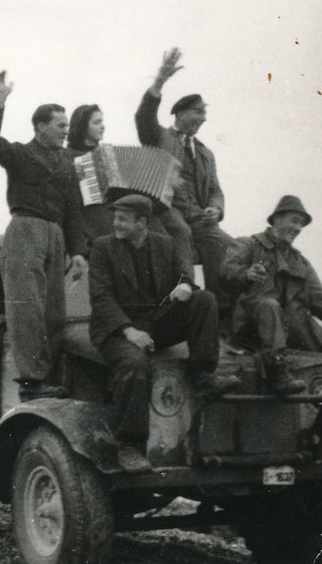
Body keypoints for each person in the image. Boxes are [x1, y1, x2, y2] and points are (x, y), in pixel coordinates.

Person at [89, 195, 240, 473]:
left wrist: (184, 286)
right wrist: (129, 331)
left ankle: (204, 377)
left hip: (155, 322)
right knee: (135, 364)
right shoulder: (103, 248)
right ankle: (130, 446)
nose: (116, 223)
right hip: (116, 329)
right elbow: (101, 298)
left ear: (142, 222)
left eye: (122, 218)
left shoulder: (164, 244)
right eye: (115, 217)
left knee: (204, 299)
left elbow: (182, 275)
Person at [0, 70, 88, 401]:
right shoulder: (19, 154)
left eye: (67, 126)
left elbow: (73, 208)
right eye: (60, 126)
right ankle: (30, 381)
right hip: (26, 228)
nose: (65, 131)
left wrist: (78, 250)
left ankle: (49, 376)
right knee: (27, 307)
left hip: (56, 234)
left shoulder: (68, 163)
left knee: (54, 311)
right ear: (40, 126)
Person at [221, 196, 322, 439]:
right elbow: (226, 273)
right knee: (269, 304)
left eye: (301, 225)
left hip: (296, 331)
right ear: (277, 218)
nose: (297, 229)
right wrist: (246, 274)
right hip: (251, 330)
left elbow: (321, 300)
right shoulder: (247, 245)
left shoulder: (300, 262)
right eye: (294, 221)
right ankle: (279, 372)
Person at [134, 47, 233, 317]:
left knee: (227, 246)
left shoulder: (206, 153)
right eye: (199, 112)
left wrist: (216, 208)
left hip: (199, 217)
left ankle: (220, 314)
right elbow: (143, 117)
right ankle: (177, 305)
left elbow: (215, 190)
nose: (204, 118)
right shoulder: (159, 137)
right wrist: (159, 82)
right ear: (180, 114)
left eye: (204, 113)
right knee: (179, 237)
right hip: (165, 212)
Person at [66, 103, 113, 243]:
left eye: (102, 121)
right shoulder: (68, 155)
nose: (102, 126)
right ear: (82, 127)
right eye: (97, 122)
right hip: (87, 217)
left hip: (112, 213)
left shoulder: (107, 154)